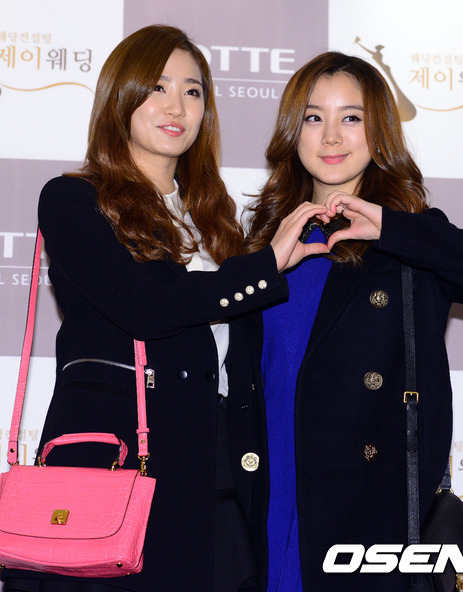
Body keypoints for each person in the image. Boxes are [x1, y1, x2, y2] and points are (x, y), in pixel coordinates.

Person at [1, 26, 335, 592]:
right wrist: (264, 267)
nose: (177, 106)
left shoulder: (216, 219)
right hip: (119, 469)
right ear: (121, 96)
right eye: (157, 87)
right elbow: (143, 306)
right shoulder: (74, 199)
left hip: (215, 470)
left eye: (193, 91)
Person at [245, 51, 463, 592]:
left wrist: (394, 229)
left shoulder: (411, 240)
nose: (331, 136)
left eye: (351, 117)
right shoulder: (266, 241)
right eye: (313, 117)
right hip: (268, 487)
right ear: (293, 131)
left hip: (364, 510)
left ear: (378, 129)